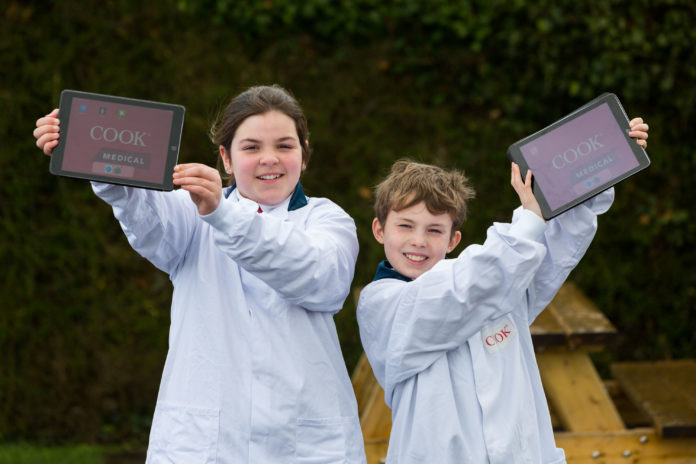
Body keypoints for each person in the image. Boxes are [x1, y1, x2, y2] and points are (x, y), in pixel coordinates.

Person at [34, 85, 366, 463]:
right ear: (225, 158)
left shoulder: (328, 220)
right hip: (204, 443)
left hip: (305, 443)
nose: (269, 159)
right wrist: (85, 149)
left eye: (285, 146)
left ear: (304, 154)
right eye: (251, 147)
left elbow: (320, 279)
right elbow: (143, 213)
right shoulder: (190, 212)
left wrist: (222, 215)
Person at [356, 119, 649, 463]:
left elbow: (552, 245)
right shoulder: (381, 304)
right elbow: (467, 289)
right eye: (405, 225)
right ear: (379, 230)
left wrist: (604, 158)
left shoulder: (500, 281)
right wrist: (528, 219)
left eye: (434, 230)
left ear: (453, 240)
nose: (418, 241)